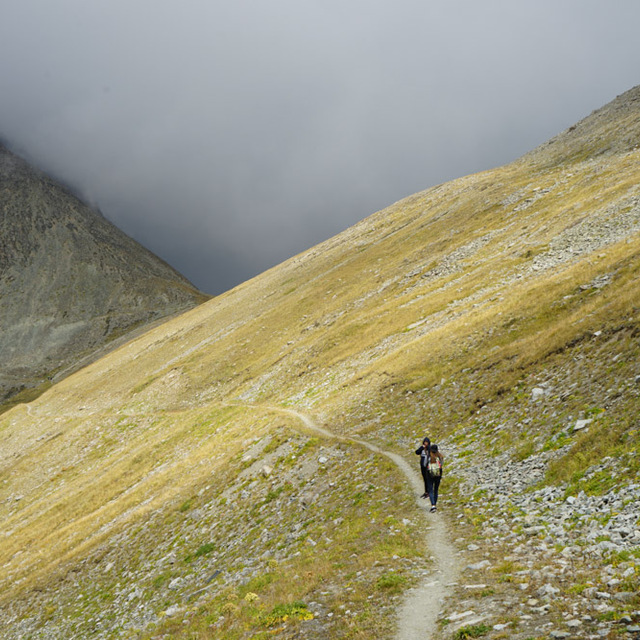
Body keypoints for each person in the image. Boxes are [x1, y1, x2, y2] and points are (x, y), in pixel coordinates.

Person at [426, 444, 443, 512]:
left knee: (431, 490)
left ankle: (433, 505)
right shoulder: (440, 456)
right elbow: (441, 465)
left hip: (430, 475)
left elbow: (424, 464)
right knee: (436, 490)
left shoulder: (429, 457)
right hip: (438, 475)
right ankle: (435, 504)